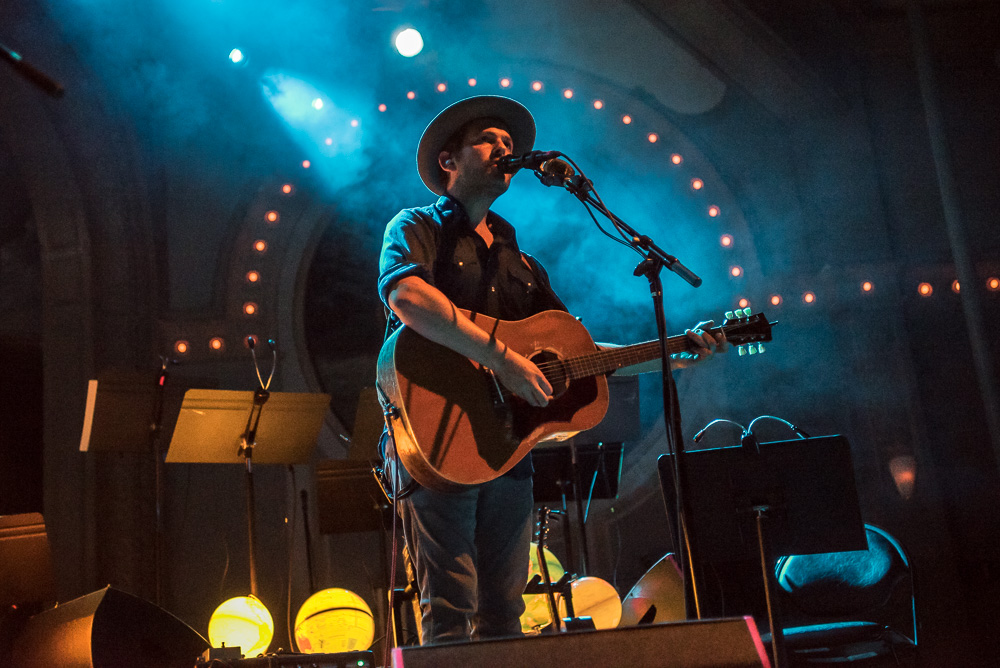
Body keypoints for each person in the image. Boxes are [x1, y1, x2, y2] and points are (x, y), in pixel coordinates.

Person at [377, 95, 726, 645]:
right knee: (449, 612)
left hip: (508, 447)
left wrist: (670, 351)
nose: (505, 149)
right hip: (437, 439)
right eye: (488, 140)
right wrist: (502, 359)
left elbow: (577, 350)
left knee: (505, 612)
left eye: (509, 142)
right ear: (449, 160)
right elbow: (407, 298)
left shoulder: (521, 262)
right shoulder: (416, 226)